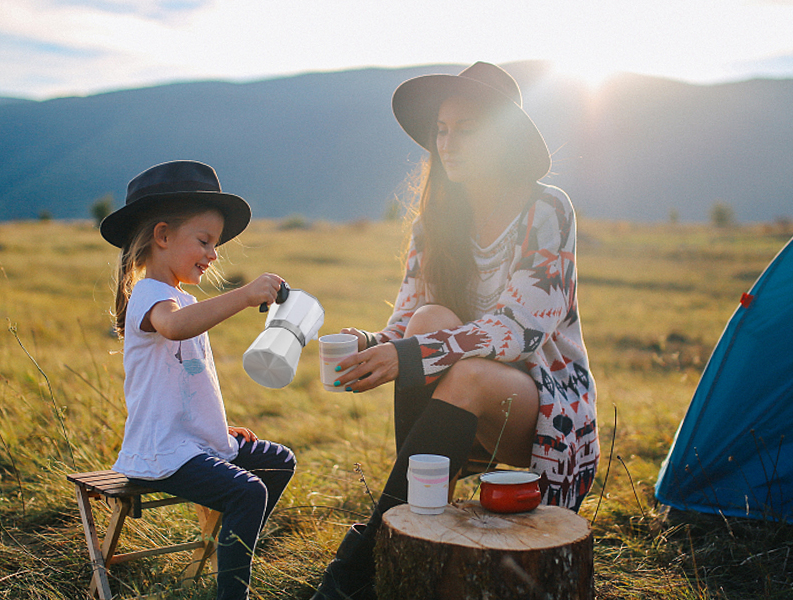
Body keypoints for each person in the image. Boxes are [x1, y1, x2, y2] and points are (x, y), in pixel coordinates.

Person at [310, 62, 599, 599]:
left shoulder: (547, 209)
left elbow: (520, 329)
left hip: (544, 407)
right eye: (442, 130)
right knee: (426, 322)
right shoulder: (436, 218)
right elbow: (409, 315)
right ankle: (421, 513)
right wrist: (374, 345)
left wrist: (411, 355)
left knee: (460, 369)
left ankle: (370, 552)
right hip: (464, 395)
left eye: (465, 129)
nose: (447, 143)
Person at [100, 160, 297, 600]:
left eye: (217, 245)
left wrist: (214, 428)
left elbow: (187, 381)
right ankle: (232, 589)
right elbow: (174, 327)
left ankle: (227, 545)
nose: (213, 254)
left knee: (278, 461)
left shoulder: (180, 297)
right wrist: (245, 295)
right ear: (163, 236)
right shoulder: (153, 297)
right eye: (205, 241)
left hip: (192, 440)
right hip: (161, 450)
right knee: (247, 491)